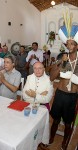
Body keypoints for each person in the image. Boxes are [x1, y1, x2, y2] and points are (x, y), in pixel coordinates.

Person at [49, 12, 78, 150]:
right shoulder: (62, 57)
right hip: (60, 93)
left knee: (68, 123)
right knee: (55, 120)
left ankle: (64, 143)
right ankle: (50, 138)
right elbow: (52, 77)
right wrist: (60, 63)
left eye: (73, 43)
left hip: (73, 96)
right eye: (68, 43)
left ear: (77, 45)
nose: (70, 45)